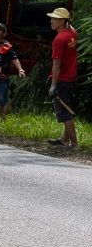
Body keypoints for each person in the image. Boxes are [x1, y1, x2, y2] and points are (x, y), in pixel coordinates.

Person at [47, 8, 79, 148]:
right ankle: (64, 139)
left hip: (62, 80)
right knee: (67, 108)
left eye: (54, 19)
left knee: (64, 112)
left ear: (62, 21)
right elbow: (71, 27)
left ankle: (74, 143)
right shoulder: (73, 33)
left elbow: (57, 63)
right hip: (71, 78)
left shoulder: (59, 39)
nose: (51, 21)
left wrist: (53, 85)